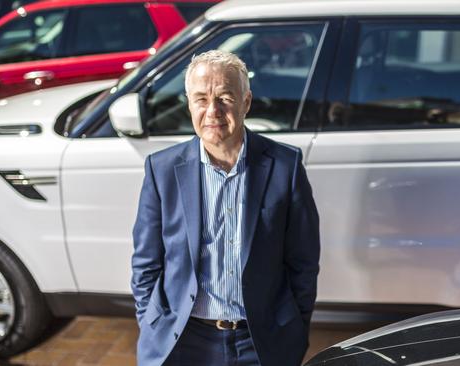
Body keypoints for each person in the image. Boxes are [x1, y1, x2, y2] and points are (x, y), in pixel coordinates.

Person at [131, 49, 320, 366]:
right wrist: (152, 322)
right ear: (189, 103)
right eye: (201, 99)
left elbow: (303, 261)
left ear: (246, 102)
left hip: (259, 341)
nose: (212, 111)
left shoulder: (285, 166)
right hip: (183, 340)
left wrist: (295, 329)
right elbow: (146, 263)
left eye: (225, 98)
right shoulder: (161, 170)